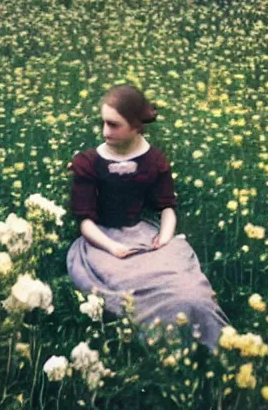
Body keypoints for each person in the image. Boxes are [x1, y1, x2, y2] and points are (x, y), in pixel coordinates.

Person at [66, 85, 229, 350]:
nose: (105, 132)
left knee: (188, 289)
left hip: (144, 234)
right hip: (101, 241)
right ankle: (167, 349)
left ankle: (216, 348)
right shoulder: (89, 162)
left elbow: (166, 206)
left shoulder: (153, 160)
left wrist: (165, 238)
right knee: (135, 291)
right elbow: (85, 220)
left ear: (136, 127)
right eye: (103, 123)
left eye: (114, 125)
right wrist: (113, 247)